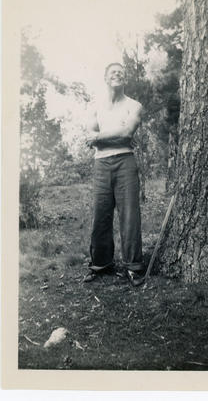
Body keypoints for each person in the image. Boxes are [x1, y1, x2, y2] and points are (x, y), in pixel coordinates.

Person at [84, 62, 144, 286]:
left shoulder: (134, 105)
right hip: (101, 164)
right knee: (101, 214)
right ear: (105, 78)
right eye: (112, 72)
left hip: (125, 161)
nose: (116, 74)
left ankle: (133, 266)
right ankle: (100, 264)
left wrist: (99, 137)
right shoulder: (95, 105)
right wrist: (111, 134)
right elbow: (88, 133)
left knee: (129, 214)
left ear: (125, 79)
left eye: (121, 72)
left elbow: (127, 134)